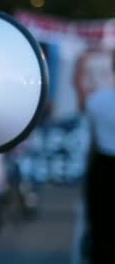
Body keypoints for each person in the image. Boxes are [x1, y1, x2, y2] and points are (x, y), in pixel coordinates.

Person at [84, 50, 115, 263]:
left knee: (101, 226)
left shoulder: (96, 100)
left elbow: (91, 143)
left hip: (103, 167)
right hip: (103, 162)